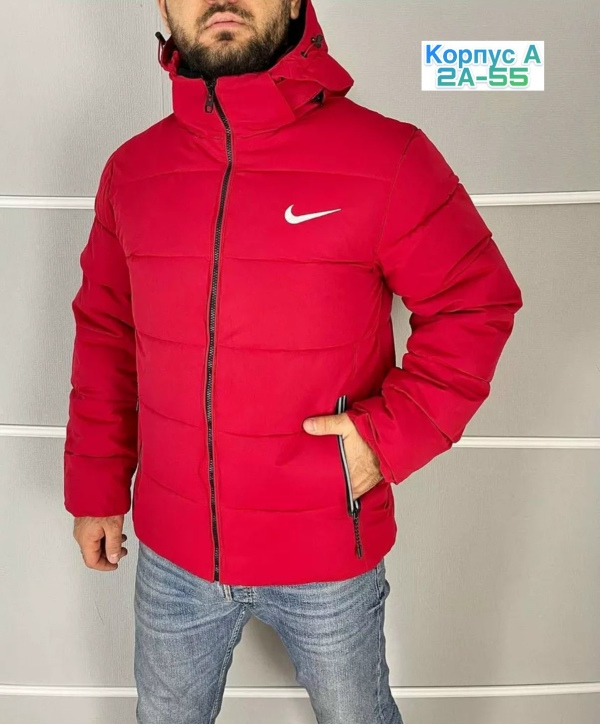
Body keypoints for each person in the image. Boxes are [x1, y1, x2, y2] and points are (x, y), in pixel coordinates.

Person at [64, 1, 524, 722]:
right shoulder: (133, 172)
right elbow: (106, 333)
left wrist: (384, 438)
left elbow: (476, 302)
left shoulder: (388, 157)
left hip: (326, 554)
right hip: (173, 558)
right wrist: (97, 488)